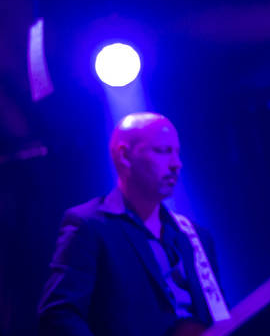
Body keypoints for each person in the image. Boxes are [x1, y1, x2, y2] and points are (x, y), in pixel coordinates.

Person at [38, 112, 228, 336]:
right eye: (163, 151)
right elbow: (59, 315)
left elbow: (218, 318)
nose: (177, 164)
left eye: (177, 152)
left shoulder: (195, 235)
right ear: (125, 156)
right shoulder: (89, 227)